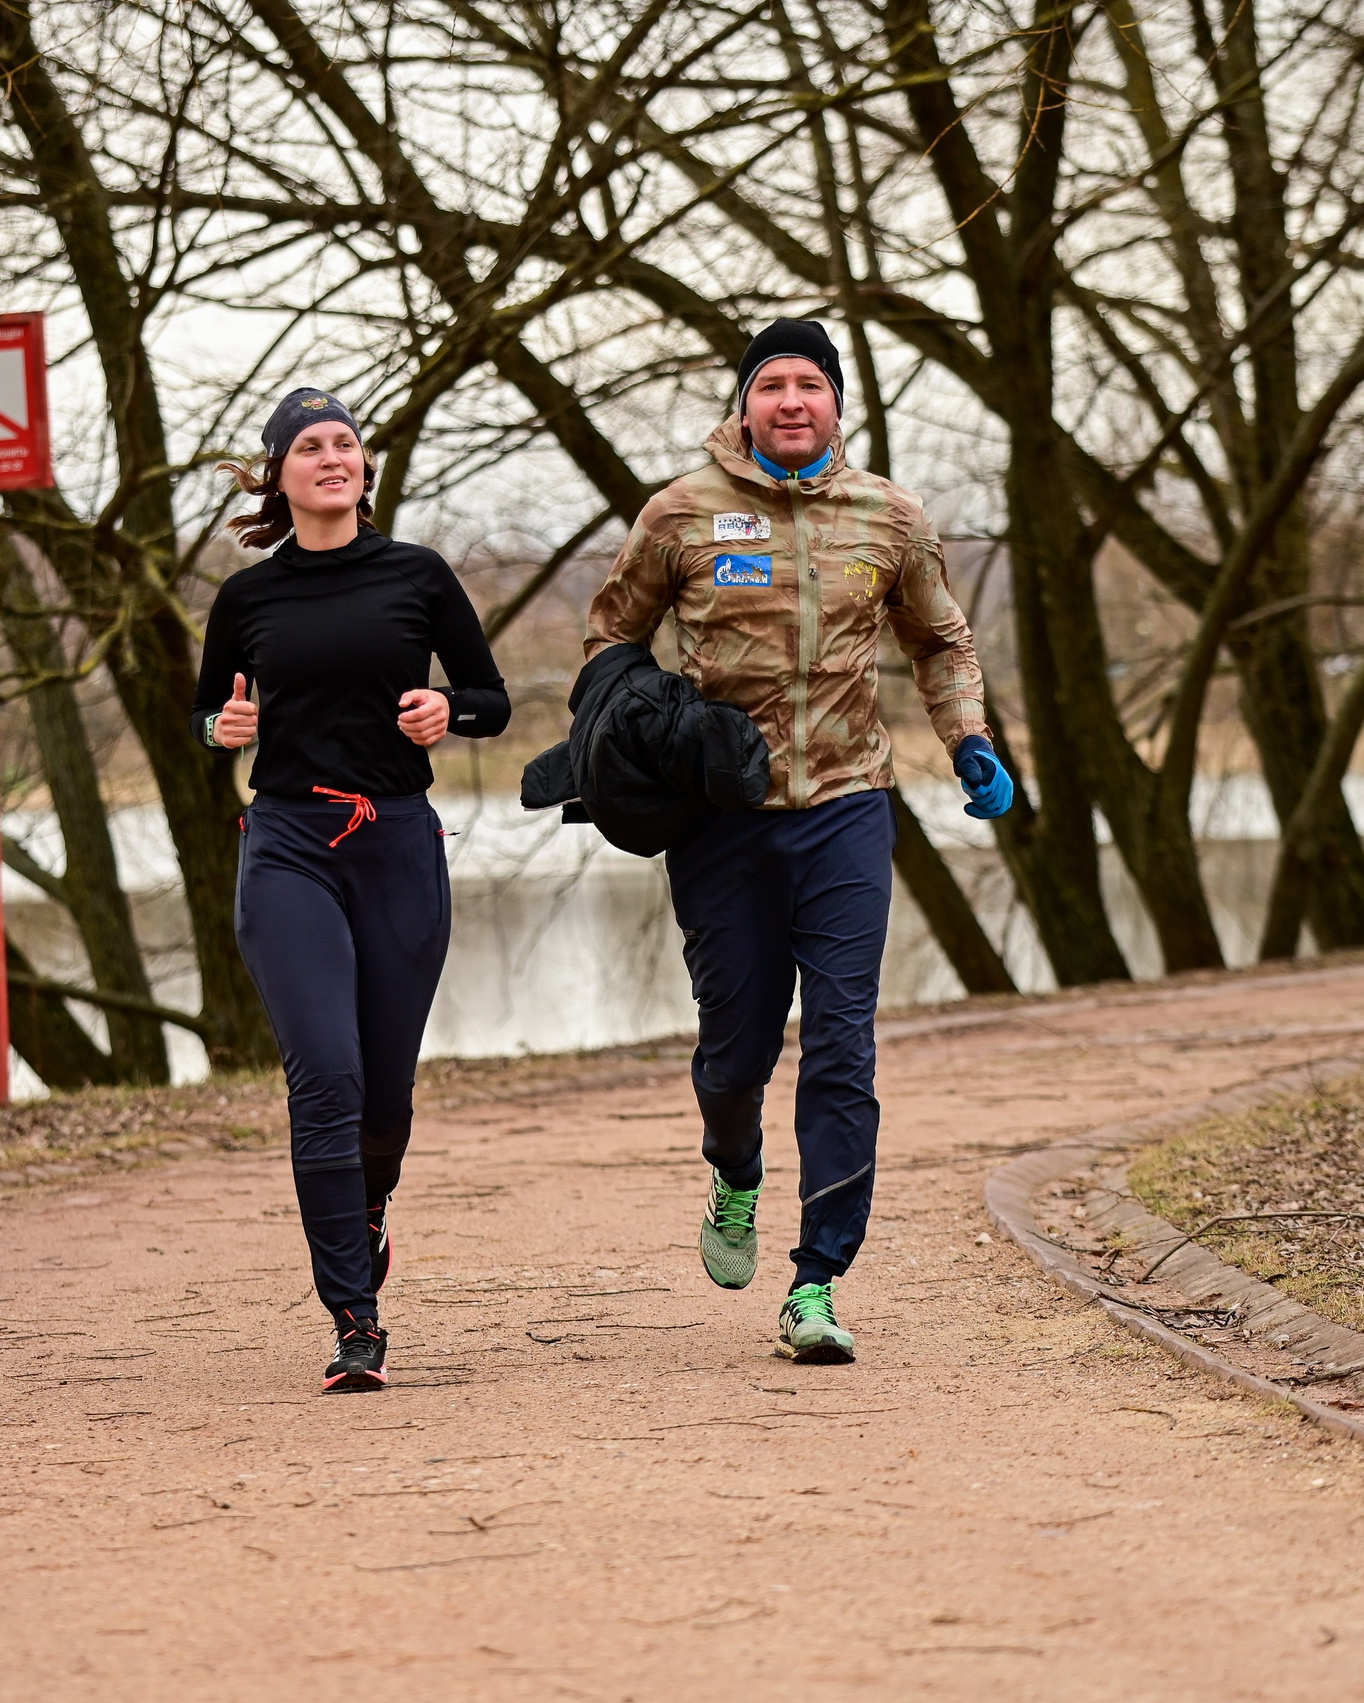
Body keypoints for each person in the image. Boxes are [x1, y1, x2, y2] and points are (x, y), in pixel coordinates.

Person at [583, 319, 1013, 1365]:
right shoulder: (680, 514)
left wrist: (967, 736)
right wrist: (642, 732)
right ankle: (734, 1171)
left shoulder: (888, 516)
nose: (789, 400)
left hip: (847, 808)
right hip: (722, 819)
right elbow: (610, 635)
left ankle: (816, 1277)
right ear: (743, 405)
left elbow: (939, 637)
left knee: (842, 1042)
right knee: (734, 1047)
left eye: (808, 384)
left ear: (835, 404)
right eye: (769, 384)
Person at [194, 387, 511, 1393]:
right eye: (310, 446)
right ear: (280, 475)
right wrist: (221, 731)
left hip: (398, 844)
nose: (332, 456)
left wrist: (443, 707)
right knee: (323, 1075)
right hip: (289, 844)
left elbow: (491, 699)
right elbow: (207, 707)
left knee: (382, 1096)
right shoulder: (249, 598)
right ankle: (354, 1318)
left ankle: (365, 1210)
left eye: (346, 443)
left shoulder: (416, 575)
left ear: (364, 470)